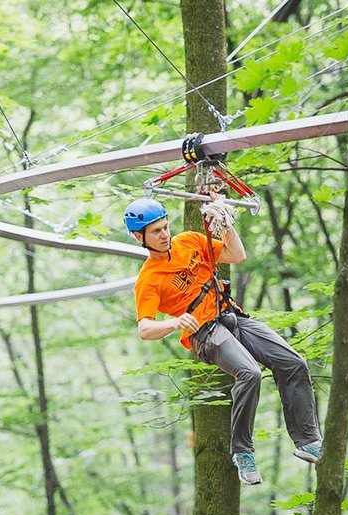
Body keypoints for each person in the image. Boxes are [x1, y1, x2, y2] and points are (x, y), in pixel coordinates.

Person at [125, 197, 322, 486]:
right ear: (138, 236)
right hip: (205, 333)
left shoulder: (190, 241)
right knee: (249, 373)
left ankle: (307, 440)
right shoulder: (149, 279)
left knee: (293, 362)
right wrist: (174, 322)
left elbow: (236, 255)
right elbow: (144, 328)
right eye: (156, 231)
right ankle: (243, 452)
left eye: (165, 227)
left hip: (231, 316)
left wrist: (225, 225)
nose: (165, 234)